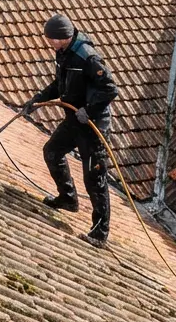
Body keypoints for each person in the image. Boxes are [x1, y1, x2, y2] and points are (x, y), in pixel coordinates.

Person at [23, 14, 119, 248]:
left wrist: (89, 109)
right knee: (52, 151)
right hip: (74, 120)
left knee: (94, 178)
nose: (48, 43)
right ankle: (68, 198)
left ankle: (99, 233)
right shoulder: (63, 53)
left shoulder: (87, 56)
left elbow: (110, 88)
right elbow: (59, 84)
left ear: (62, 38)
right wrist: (37, 101)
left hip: (93, 126)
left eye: (50, 39)